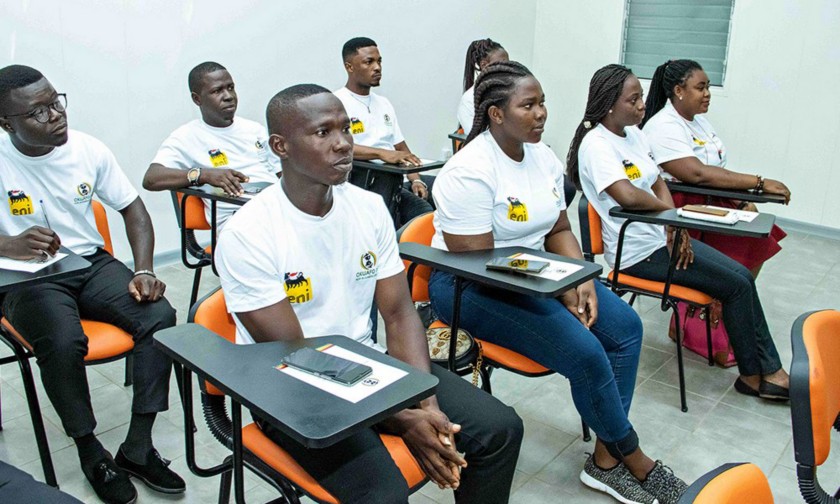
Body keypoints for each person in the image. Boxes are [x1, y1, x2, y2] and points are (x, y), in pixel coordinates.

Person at [215, 83, 523, 504]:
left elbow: (398, 314)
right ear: (280, 146)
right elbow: (299, 357)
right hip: (290, 390)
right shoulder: (248, 234)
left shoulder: (367, 208)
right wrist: (403, 419)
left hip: (367, 366)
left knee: (500, 429)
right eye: (323, 132)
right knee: (382, 494)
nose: (343, 143)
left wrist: (424, 401)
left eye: (346, 129)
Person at [428, 60, 687, 504]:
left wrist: (580, 277)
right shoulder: (469, 170)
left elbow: (560, 230)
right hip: (468, 288)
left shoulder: (542, 156)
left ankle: (605, 461)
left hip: (537, 277)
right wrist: (560, 286)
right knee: (586, 353)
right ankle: (633, 456)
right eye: (528, 105)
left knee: (625, 328)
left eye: (542, 102)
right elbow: (482, 262)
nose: (541, 113)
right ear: (495, 113)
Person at [0, 65, 183, 504]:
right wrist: (9, 244)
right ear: (6, 123)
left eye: (56, 102)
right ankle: (90, 449)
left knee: (159, 315)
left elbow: (134, 209)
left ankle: (138, 446)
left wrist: (143, 269)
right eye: (38, 112)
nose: (56, 116)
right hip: (24, 277)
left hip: (87, 262)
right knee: (64, 341)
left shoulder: (88, 149)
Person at [566, 63, 791, 405]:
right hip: (636, 255)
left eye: (641, 96)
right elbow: (626, 195)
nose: (643, 105)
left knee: (741, 277)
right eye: (634, 99)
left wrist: (674, 223)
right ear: (610, 103)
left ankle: (756, 374)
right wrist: (670, 217)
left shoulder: (635, 135)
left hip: (660, 240)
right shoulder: (596, 145)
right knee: (735, 285)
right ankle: (763, 374)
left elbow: (657, 181)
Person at [641, 59, 790, 277]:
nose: (708, 93)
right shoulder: (663, 125)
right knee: (744, 250)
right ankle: (714, 302)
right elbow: (697, 173)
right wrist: (759, 182)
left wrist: (742, 199)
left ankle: (723, 301)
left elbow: (717, 170)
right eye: (700, 88)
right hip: (683, 206)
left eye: (708, 86)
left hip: (710, 199)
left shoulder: (699, 122)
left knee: (758, 237)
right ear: (679, 90)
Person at [143, 61, 281, 228]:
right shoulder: (186, 137)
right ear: (197, 99)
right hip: (237, 221)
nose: (228, 96)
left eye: (230, 87)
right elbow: (151, 179)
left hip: (276, 208)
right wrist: (204, 175)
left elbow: (282, 174)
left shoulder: (254, 129)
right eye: (217, 91)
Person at [334, 37, 433, 226]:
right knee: (420, 214)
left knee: (432, 202)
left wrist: (416, 180)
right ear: (349, 67)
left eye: (379, 61)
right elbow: (338, 147)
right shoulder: (336, 103)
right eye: (369, 62)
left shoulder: (384, 103)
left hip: (392, 179)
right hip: (361, 183)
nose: (377, 67)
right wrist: (382, 153)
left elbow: (401, 149)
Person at [457, 38, 509, 133]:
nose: (506, 69)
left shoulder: (510, 91)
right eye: (501, 65)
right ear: (484, 65)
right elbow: (476, 137)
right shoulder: (468, 100)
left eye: (508, 64)